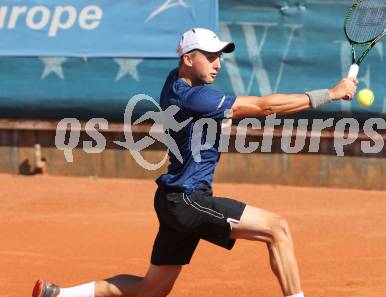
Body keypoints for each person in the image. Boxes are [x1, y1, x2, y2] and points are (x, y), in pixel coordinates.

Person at [33, 28, 357, 297]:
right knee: (278, 229)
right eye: (210, 56)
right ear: (188, 59)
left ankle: (59, 295)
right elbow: (263, 106)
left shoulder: (176, 83)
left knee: (151, 289)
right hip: (189, 199)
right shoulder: (194, 97)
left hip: (172, 199)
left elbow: (204, 110)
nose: (218, 63)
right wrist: (329, 93)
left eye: (220, 56)